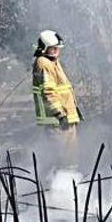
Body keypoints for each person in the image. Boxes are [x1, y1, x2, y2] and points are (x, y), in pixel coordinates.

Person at [32, 30, 81, 168]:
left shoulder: (52, 61)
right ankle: (59, 185)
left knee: (70, 158)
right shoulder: (43, 63)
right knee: (62, 158)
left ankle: (69, 183)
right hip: (57, 121)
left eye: (57, 48)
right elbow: (48, 92)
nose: (56, 51)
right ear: (45, 48)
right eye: (53, 48)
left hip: (65, 119)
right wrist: (60, 115)